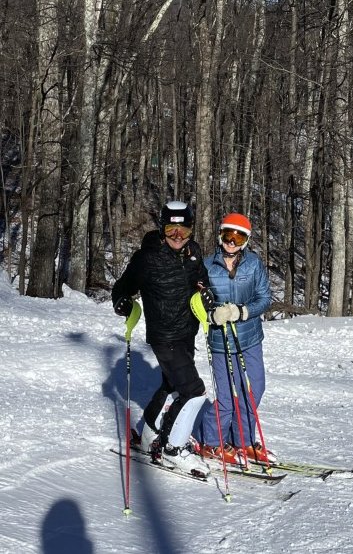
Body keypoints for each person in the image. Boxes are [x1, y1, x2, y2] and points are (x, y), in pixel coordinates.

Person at [112, 200, 210, 477]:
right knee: (193, 391)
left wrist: (207, 295)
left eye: (183, 231)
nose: (177, 237)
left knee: (171, 385)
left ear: (191, 230)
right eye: (171, 231)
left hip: (187, 332)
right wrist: (122, 302)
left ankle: (148, 436)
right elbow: (122, 288)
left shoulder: (194, 252)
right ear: (162, 229)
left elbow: (203, 282)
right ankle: (173, 449)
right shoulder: (146, 258)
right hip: (164, 336)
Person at [199, 212, 273, 465]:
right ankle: (211, 442)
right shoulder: (206, 266)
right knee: (226, 398)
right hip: (221, 341)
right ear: (220, 236)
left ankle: (242, 440)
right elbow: (196, 303)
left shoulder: (253, 264)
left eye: (238, 237)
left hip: (249, 338)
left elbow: (264, 298)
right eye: (227, 235)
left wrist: (242, 312)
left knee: (253, 390)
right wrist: (211, 315)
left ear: (246, 240)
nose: (231, 242)